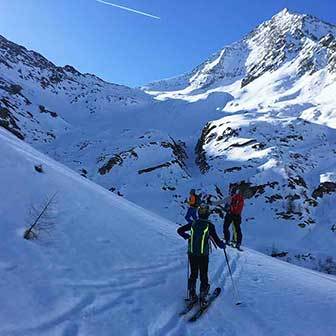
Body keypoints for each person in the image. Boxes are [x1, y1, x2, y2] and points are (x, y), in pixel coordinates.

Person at [177, 204, 225, 307]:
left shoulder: (193, 223)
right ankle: (203, 297)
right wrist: (222, 245)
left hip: (192, 253)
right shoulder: (209, 225)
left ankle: (192, 294)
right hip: (203, 254)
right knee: (203, 274)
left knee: (193, 273)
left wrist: (188, 237)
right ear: (208, 214)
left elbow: (179, 230)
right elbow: (217, 240)